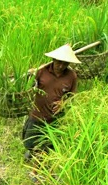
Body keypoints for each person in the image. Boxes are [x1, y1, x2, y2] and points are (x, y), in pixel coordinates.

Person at [22, 44, 80, 172]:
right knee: (29, 142)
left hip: (54, 117)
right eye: (59, 62)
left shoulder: (71, 76)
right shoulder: (41, 71)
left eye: (65, 63)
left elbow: (71, 96)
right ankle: (31, 151)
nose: (61, 66)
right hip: (37, 113)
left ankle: (35, 170)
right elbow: (27, 87)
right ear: (53, 60)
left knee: (46, 146)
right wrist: (29, 75)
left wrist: (63, 103)